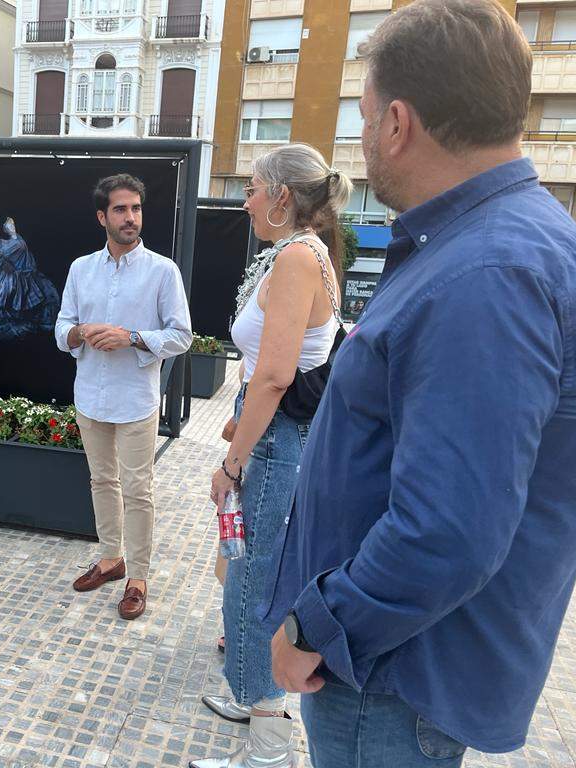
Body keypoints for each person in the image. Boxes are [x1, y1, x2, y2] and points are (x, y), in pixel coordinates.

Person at [266, 2, 576, 767]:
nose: (360, 138)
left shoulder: (488, 275)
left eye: (361, 116)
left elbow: (447, 534)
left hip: (386, 678)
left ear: (396, 122)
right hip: (398, 667)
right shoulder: (494, 247)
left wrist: (315, 627)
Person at [191, 145, 350, 768]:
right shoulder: (305, 253)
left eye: (254, 189)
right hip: (274, 439)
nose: (247, 200)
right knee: (244, 569)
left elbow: (277, 375)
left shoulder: (296, 259)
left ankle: (269, 748)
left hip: (277, 446)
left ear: (282, 196)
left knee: (257, 581)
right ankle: (251, 692)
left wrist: (231, 462)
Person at [56, 174, 192, 620]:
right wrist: (79, 332)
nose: (130, 217)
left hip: (136, 398)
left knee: (138, 489)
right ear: (102, 216)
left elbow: (182, 337)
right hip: (90, 394)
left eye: (135, 208)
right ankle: (111, 558)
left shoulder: (162, 271)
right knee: (101, 481)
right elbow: (61, 329)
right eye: (120, 209)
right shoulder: (81, 268)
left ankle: (139, 577)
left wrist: (130, 337)